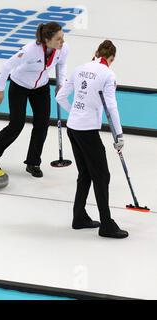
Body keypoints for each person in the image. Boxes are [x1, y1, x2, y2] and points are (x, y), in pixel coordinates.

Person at [56, 40, 128, 239]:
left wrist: (74, 113)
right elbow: (111, 107)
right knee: (102, 176)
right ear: (111, 58)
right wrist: (119, 135)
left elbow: (60, 97)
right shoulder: (108, 74)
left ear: (95, 52)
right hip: (87, 131)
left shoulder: (79, 69)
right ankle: (106, 224)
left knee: (85, 174)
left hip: (73, 128)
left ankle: (79, 217)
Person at [0, 22, 69, 178]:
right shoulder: (31, 50)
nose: (62, 42)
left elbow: (62, 65)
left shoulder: (63, 49)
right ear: (47, 40)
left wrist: (60, 83)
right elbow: (6, 66)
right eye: (58, 39)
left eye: (62, 37)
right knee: (16, 125)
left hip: (41, 88)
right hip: (20, 86)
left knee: (42, 124)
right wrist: (0, 90)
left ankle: (33, 162)